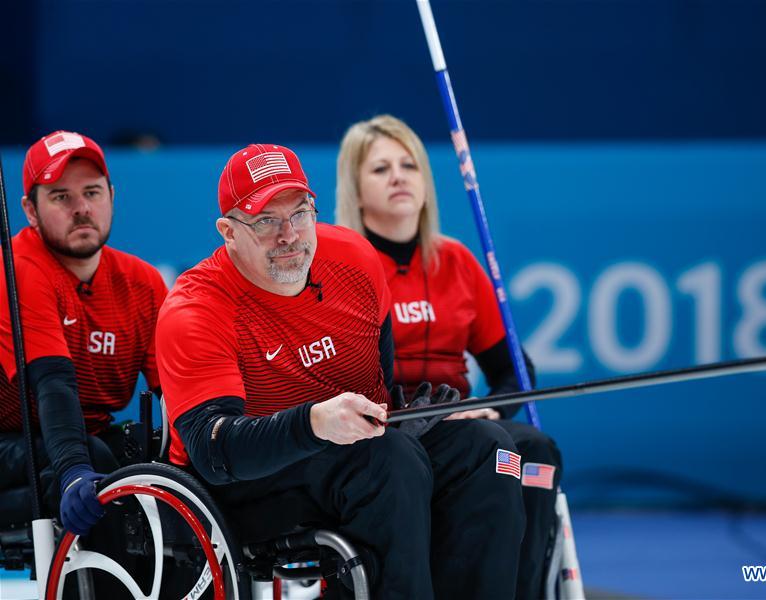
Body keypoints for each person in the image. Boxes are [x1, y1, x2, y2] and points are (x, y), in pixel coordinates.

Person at [155, 142, 525, 599]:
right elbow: (215, 454)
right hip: (243, 485)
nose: (289, 235)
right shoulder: (196, 309)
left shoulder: (355, 259)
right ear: (228, 232)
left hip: (353, 457)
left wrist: (405, 421)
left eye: (299, 214)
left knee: (486, 448)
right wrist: (313, 423)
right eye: (266, 220)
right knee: (388, 461)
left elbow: (380, 387)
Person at [336, 114, 564, 600]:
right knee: (485, 446)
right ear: (355, 191)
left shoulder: (456, 261)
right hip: (388, 427)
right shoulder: (343, 266)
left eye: (409, 166)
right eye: (380, 169)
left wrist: (492, 408)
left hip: (461, 421)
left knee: (533, 450)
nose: (399, 177)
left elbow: (514, 370)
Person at [0, 131, 168, 588]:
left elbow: (176, 393)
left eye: (92, 192)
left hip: (82, 437)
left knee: (153, 460)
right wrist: (76, 471)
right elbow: (53, 386)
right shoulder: (19, 268)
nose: (81, 208)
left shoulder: (142, 282)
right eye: (61, 197)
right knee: (93, 463)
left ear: (111, 196)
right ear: (30, 210)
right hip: (11, 439)